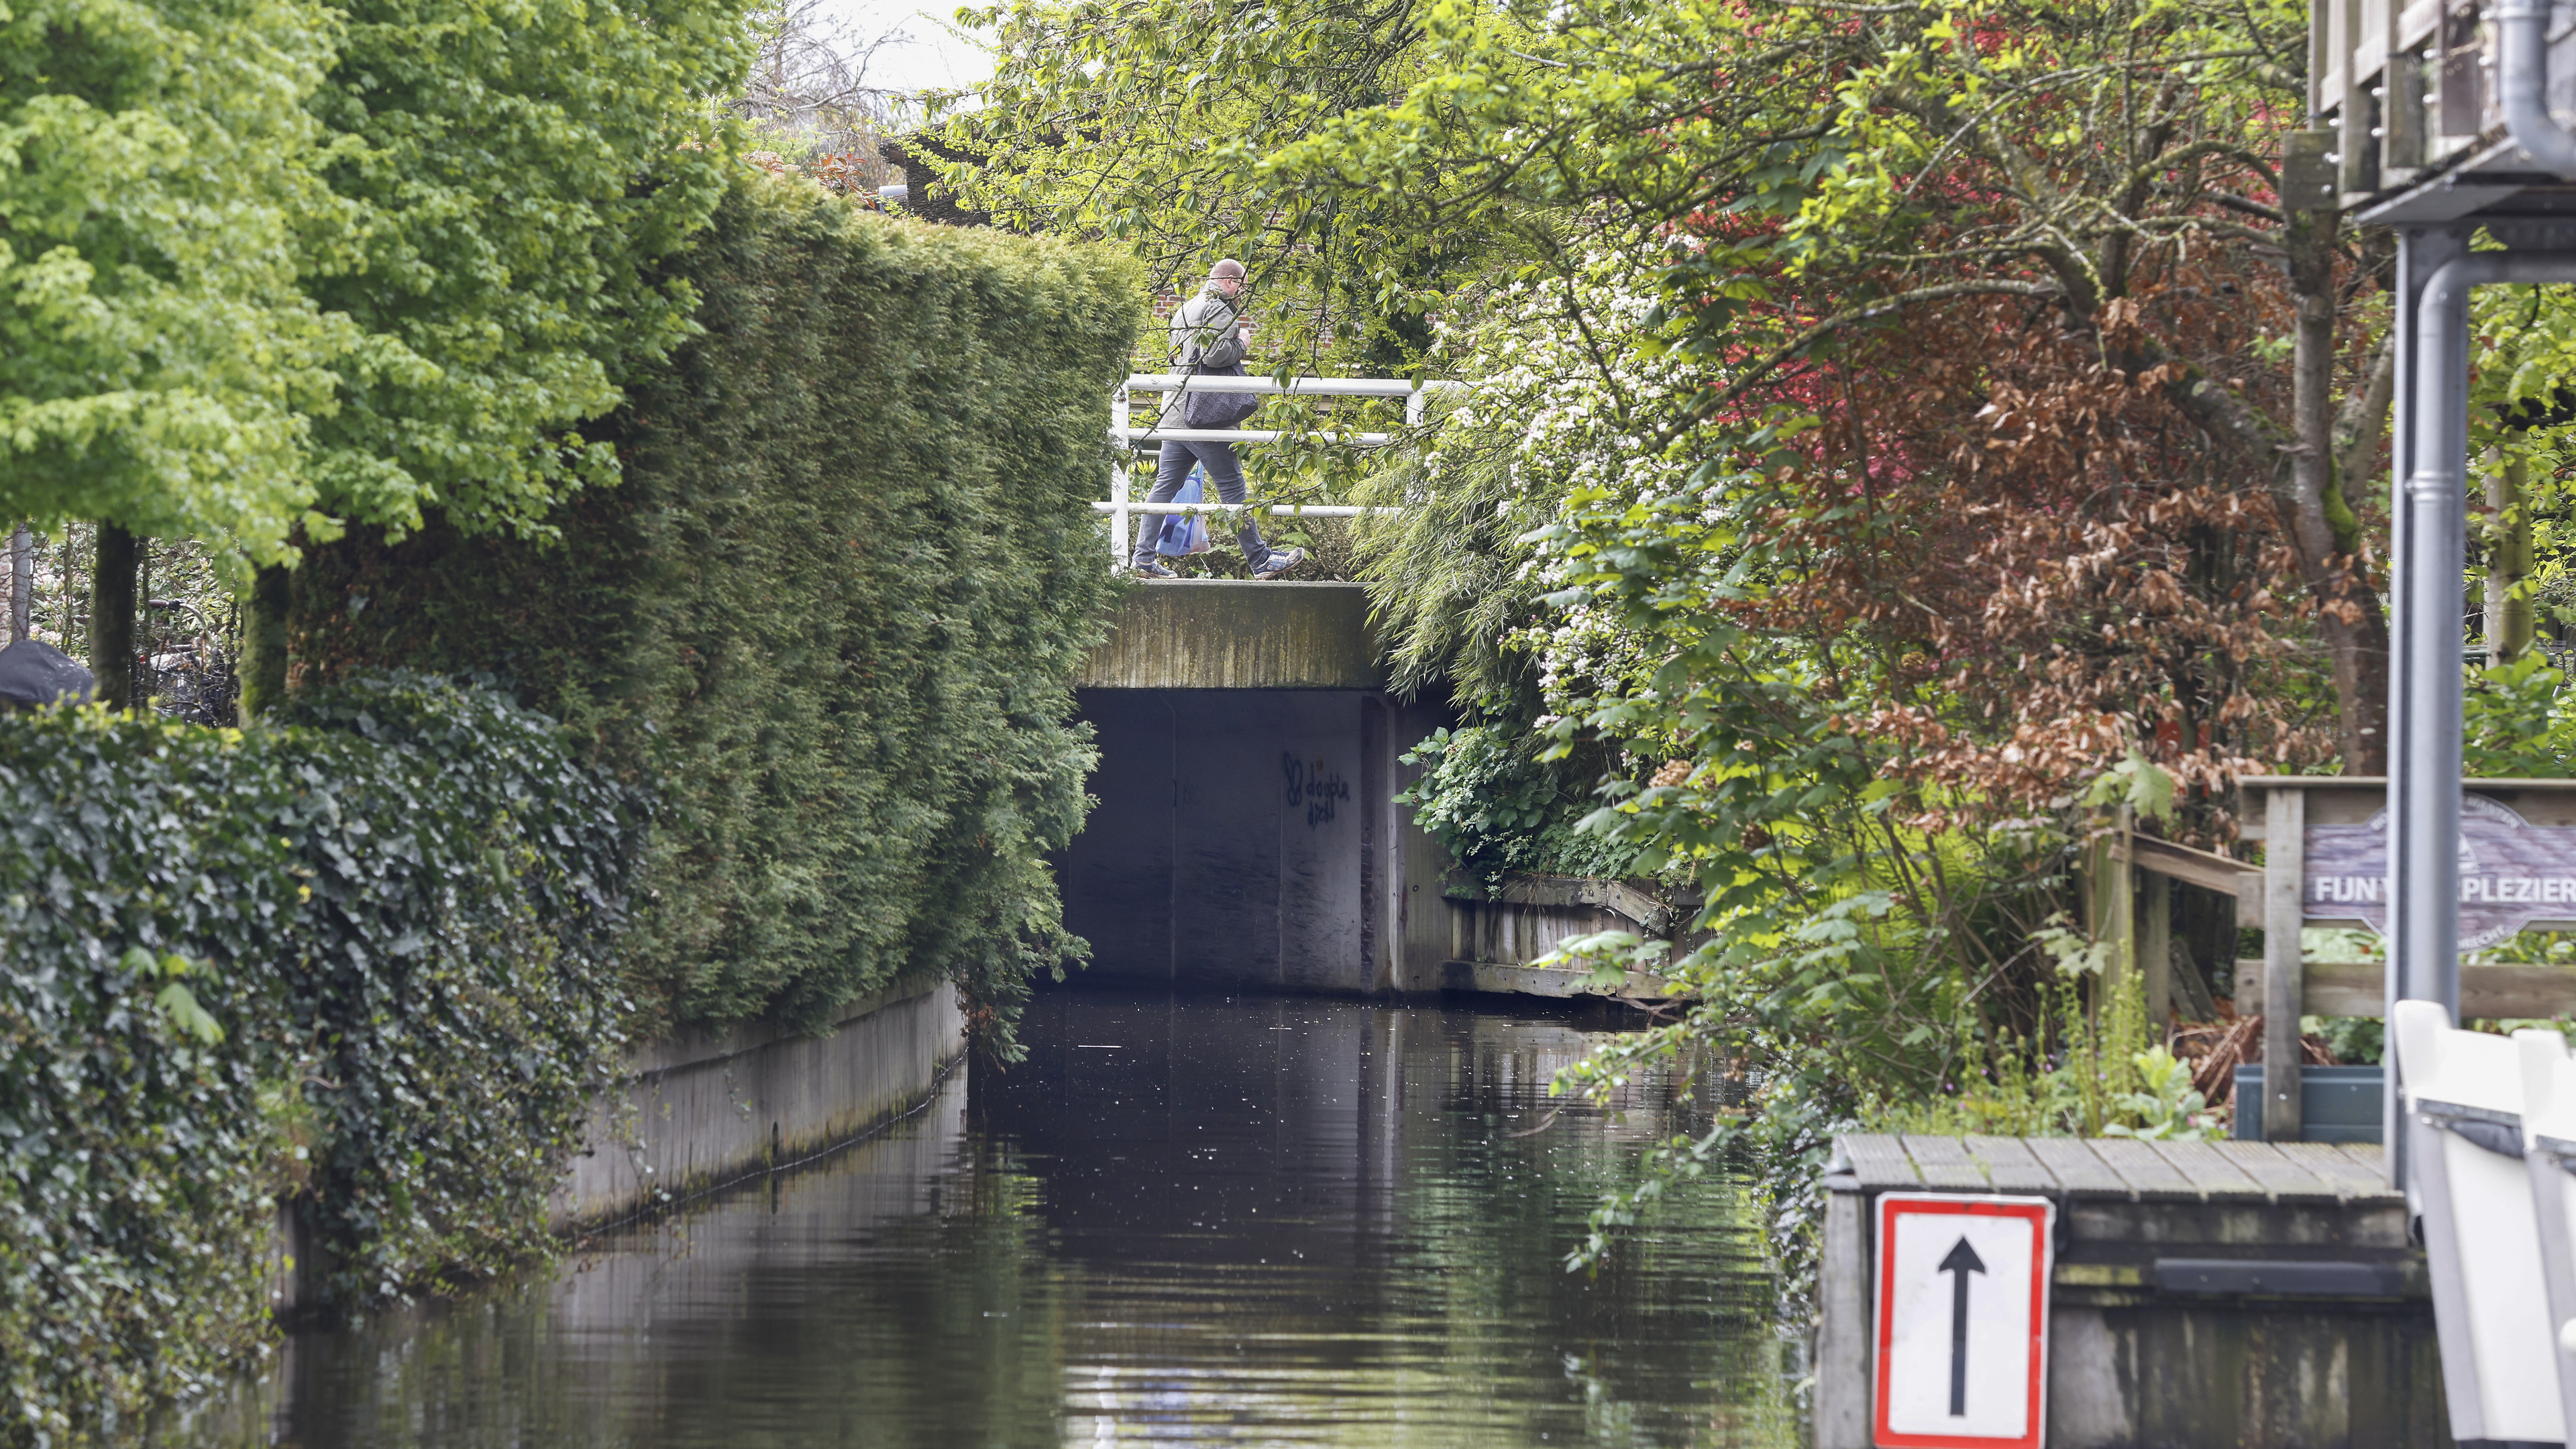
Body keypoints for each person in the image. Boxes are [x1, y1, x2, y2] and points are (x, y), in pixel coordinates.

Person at [1132, 259, 1306, 580]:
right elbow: (1214, 356)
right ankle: (1261, 560)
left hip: (1177, 412)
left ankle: (1142, 560)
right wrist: (1242, 344)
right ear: (1230, 281)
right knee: (1233, 487)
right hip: (1206, 418)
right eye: (1242, 284)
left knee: (1164, 487)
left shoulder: (1186, 308)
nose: (1242, 292)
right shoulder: (1219, 307)